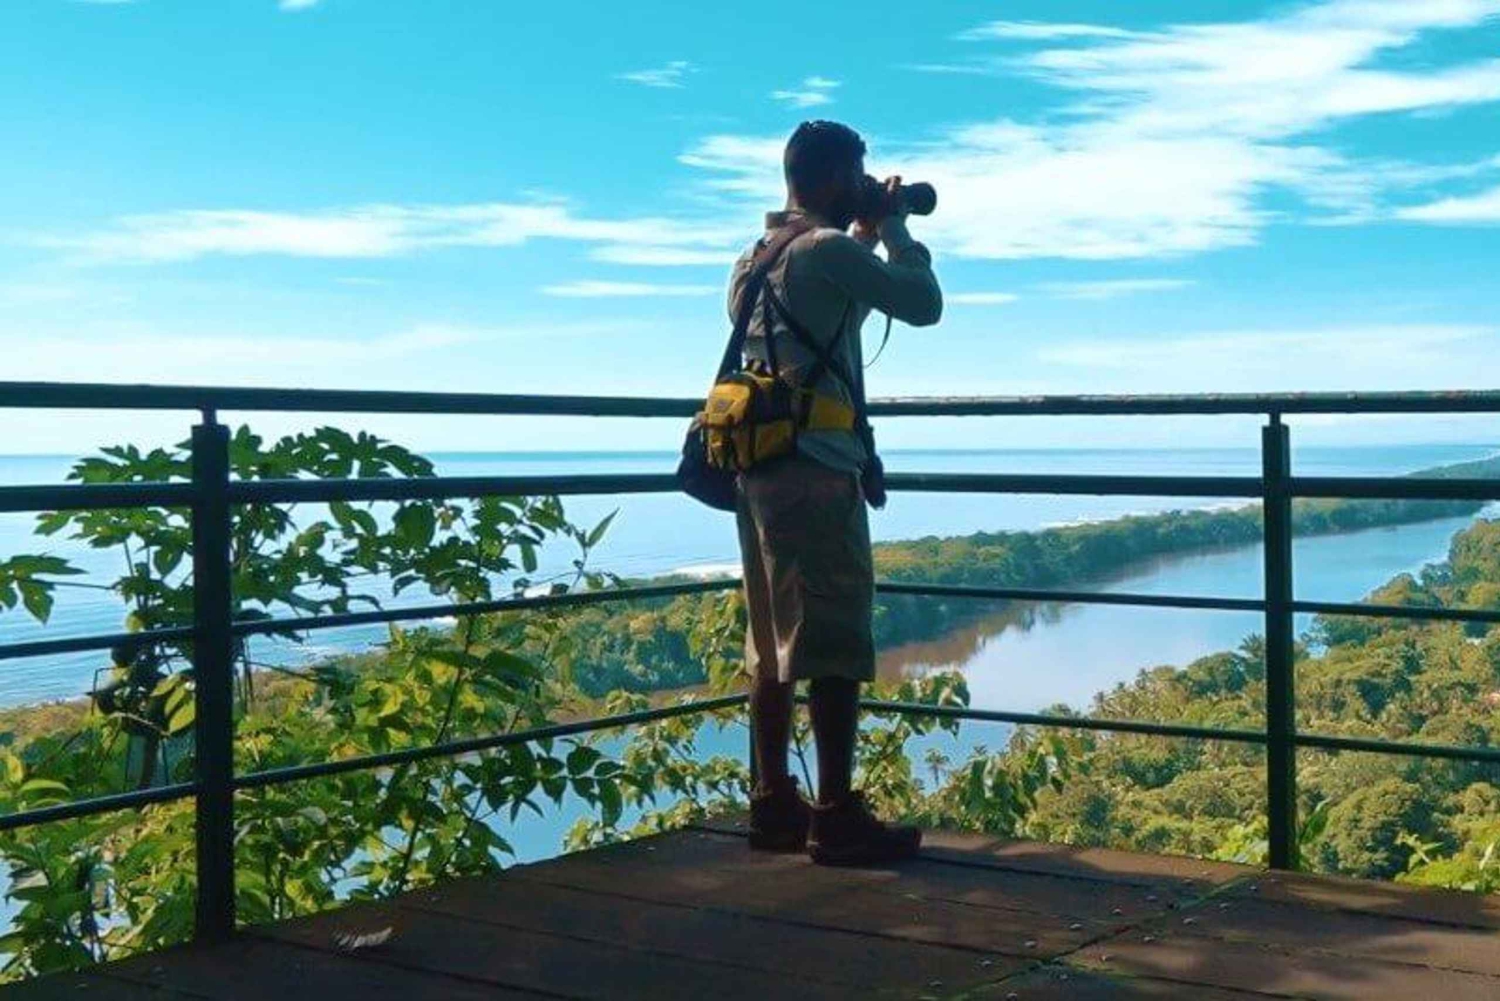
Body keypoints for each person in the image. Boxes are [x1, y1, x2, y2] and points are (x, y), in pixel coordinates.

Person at [732, 120, 942, 866]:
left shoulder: (756, 258)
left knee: (771, 637)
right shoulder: (828, 251)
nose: (866, 181)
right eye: (858, 171)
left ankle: (772, 803)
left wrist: (858, 224)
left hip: (759, 470)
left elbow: (825, 348)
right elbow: (922, 302)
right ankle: (836, 814)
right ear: (826, 178)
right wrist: (893, 231)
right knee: (833, 639)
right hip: (816, 471)